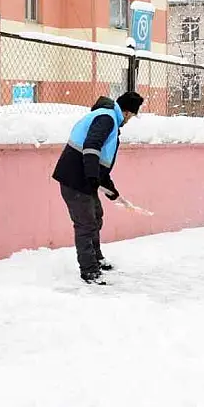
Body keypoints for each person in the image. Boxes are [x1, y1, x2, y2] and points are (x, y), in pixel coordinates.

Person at [52, 91, 145, 285]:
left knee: (96, 215)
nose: (130, 120)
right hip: (75, 179)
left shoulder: (108, 117)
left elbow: (100, 161)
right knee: (86, 223)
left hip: (82, 177)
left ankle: (97, 258)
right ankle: (89, 271)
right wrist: (93, 176)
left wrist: (112, 191)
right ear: (127, 112)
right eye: (133, 115)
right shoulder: (107, 118)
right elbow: (92, 146)